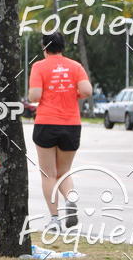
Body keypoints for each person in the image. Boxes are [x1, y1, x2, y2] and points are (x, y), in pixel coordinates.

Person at [28, 31, 92, 233]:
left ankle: (55, 220)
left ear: (44, 47)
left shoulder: (39, 67)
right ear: (62, 47)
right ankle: (70, 198)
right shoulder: (76, 67)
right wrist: (73, 94)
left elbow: (35, 96)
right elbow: (87, 91)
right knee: (64, 171)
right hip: (71, 125)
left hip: (46, 123)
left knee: (48, 174)